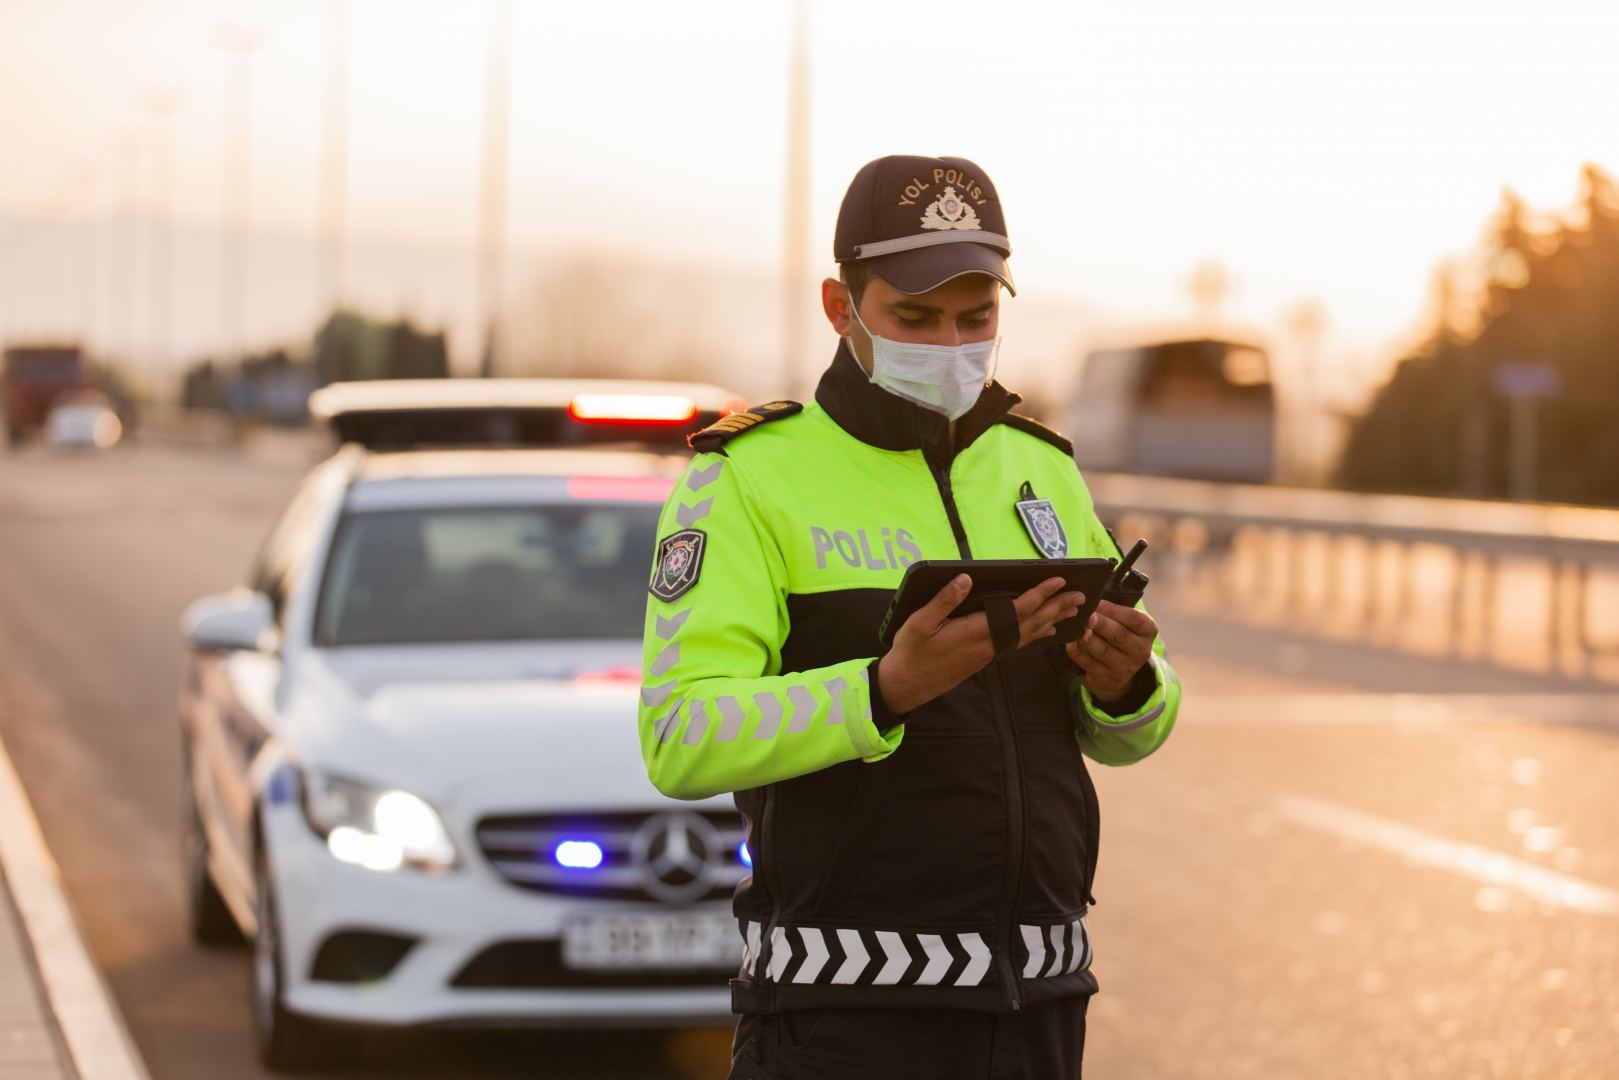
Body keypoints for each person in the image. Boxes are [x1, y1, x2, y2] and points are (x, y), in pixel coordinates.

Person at [638, 154, 1181, 1079]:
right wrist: (882, 691)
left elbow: (1126, 735)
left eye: (978, 318)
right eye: (915, 318)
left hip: (1039, 1003)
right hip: (843, 1013)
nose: (952, 343)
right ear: (839, 307)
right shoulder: (746, 477)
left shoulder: (1037, 466)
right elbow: (680, 737)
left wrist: (1126, 681)